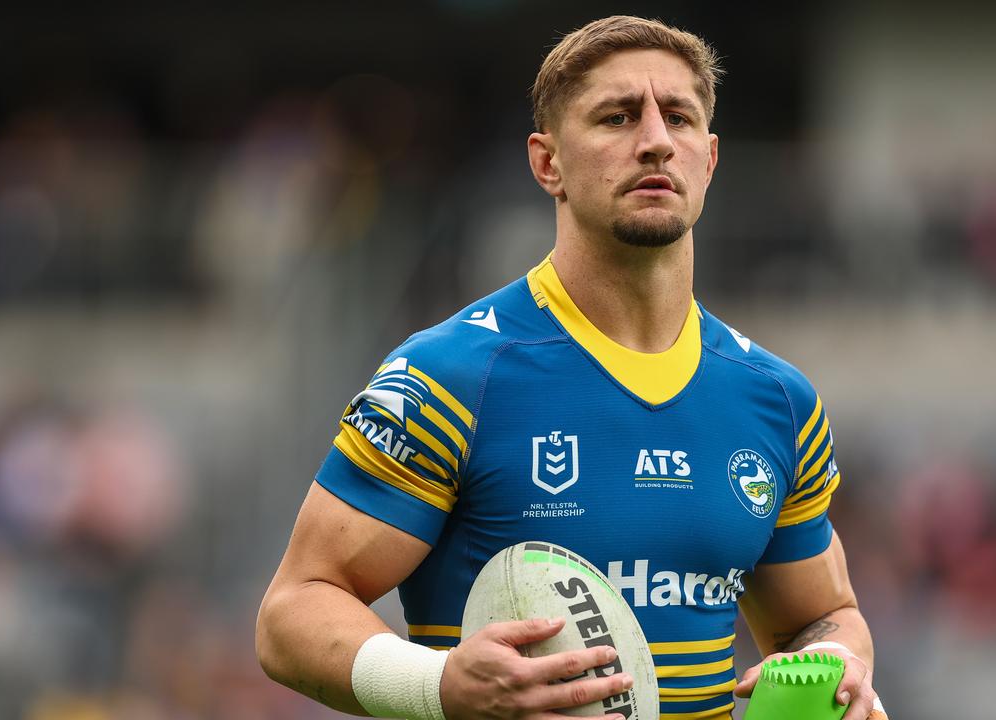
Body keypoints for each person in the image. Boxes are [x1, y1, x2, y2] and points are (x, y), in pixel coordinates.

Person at [257, 15, 885, 720]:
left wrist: (838, 660)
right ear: (547, 162)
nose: (655, 140)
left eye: (678, 117)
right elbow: (292, 612)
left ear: (708, 160)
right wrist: (438, 686)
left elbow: (824, 616)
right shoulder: (451, 376)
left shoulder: (776, 399)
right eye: (618, 117)